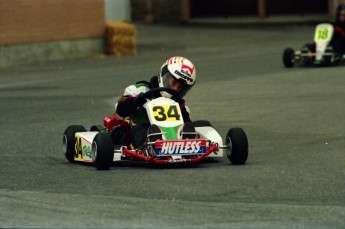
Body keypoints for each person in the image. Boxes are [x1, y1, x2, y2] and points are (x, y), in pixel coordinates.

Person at [113, 56, 197, 148]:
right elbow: (120, 110)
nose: (175, 89)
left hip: (170, 136)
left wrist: (188, 128)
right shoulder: (140, 89)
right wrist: (137, 100)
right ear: (164, 75)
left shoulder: (177, 103)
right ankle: (152, 145)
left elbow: (187, 122)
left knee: (189, 126)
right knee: (139, 130)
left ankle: (187, 145)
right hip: (137, 133)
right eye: (173, 82)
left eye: (180, 87)